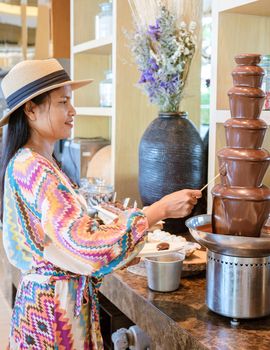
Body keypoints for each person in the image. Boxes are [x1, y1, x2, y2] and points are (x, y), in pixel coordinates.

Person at [0, 58, 201, 350]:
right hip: (57, 316)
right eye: (63, 102)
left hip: (49, 305)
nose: (73, 110)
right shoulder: (34, 168)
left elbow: (65, 237)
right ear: (30, 109)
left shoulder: (32, 162)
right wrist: (157, 211)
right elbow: (87, 247)